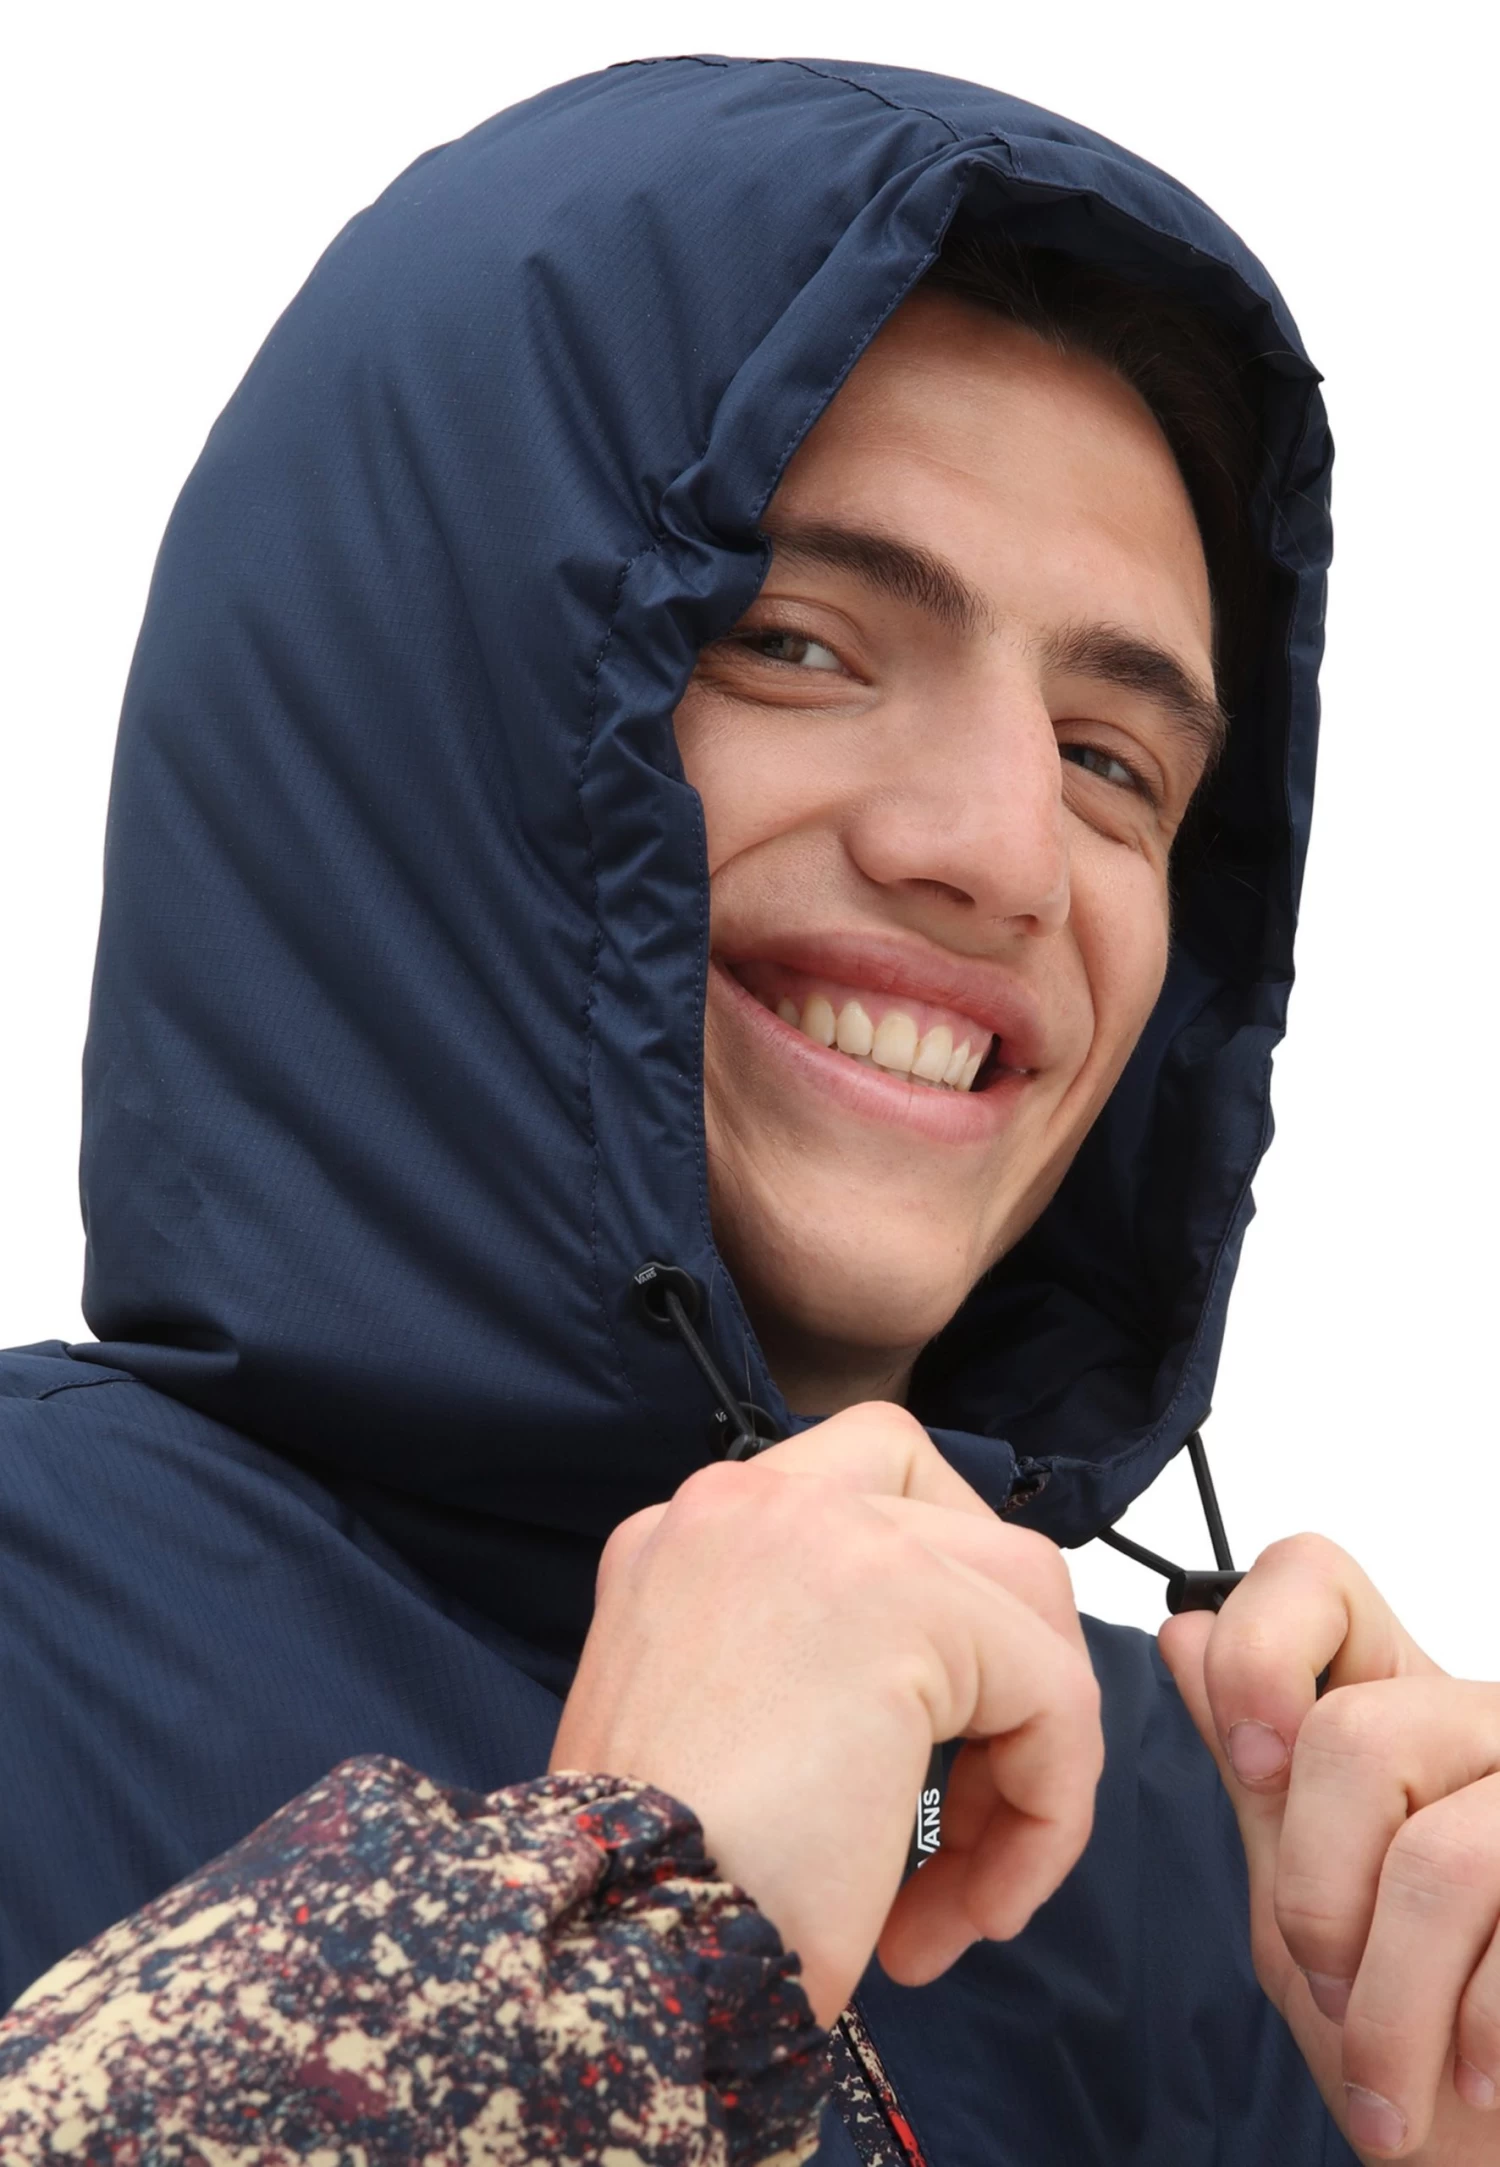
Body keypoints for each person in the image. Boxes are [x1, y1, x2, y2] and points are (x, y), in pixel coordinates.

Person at [0, 52, 1495, 2166]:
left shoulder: (1228, 1887)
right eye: (797, 644)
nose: (1007, 853)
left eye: (1113, 761)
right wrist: (603, 1932)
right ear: (420, 718)